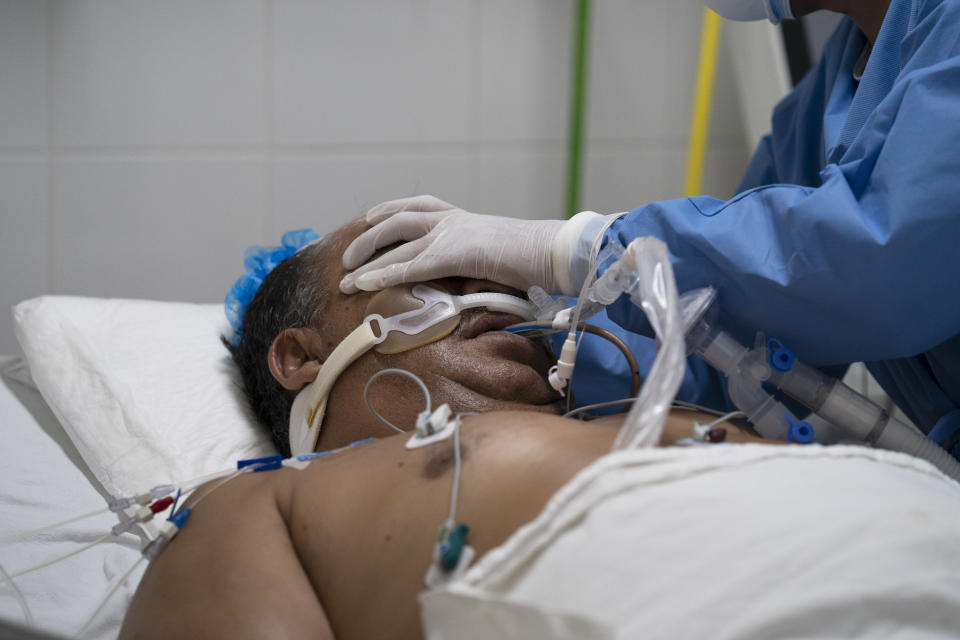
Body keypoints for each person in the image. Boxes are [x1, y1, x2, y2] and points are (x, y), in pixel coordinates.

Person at [338, 0, 960, 461]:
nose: (459, 296)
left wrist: (576, 249)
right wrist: (555, 342)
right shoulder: (826, 102)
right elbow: (732, 346)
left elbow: (885, 261)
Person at [121, 219, 785, 639]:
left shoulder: (650, 408)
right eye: (412, 265)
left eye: (485, 264)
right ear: (301, 357)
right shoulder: (255, 507)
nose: (483, 282)